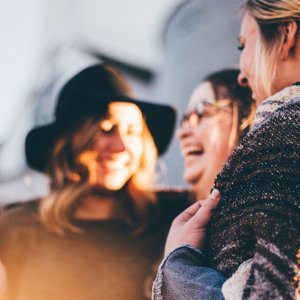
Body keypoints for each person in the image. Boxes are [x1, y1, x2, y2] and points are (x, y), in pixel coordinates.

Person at [0, 64, 190, 300]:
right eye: (107, 129)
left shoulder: (173, 218)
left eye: (132, 131)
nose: (121, 146)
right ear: (71, 142)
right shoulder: (14, 229)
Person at [153, 0, 300, 299]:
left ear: (286, 34)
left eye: (243, 45)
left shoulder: (285, 132)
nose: (242, 75)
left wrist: (177, 266)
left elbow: (271, 292)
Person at [177, 69, 254, 199]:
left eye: (201, 111)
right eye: (185, 119)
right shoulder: (157, 213)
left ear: (245, 120)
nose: (181, 133)